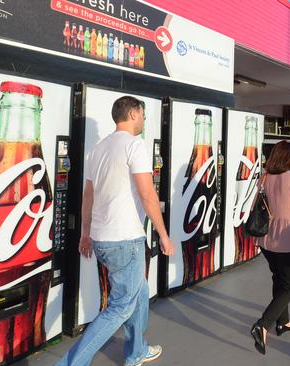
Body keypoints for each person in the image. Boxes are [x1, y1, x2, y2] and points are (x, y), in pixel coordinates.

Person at [57, 97, 175, 366]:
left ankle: (136, 351)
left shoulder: (97, 149)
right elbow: (147, 194)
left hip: (102, 239)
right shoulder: (134, 145)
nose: (144, 120)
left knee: (140, 292)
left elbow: (88, 195)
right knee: (121, 306)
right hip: (126, 240)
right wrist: (164, 235)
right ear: (133, 113)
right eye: (143, 114)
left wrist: (85, 233)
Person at [250, 140, 290, 355]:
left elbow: (255, 205)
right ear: (287, 156)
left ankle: (283, 322)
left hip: (266, 237)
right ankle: (263, 324)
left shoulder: (265, 177)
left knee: (279, 278)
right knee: (289, 286)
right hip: (287, 238)